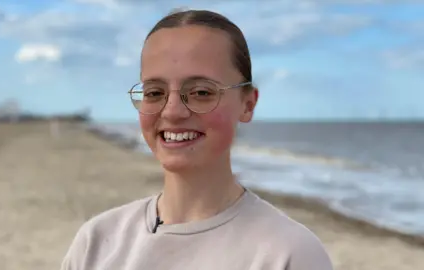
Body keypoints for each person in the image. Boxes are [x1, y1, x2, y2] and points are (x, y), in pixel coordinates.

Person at [60, 9, 334, 270]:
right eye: (155, 92)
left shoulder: (289, 254)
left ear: (247, 104)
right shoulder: (96, 242)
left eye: (201, 92)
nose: (173, 112)